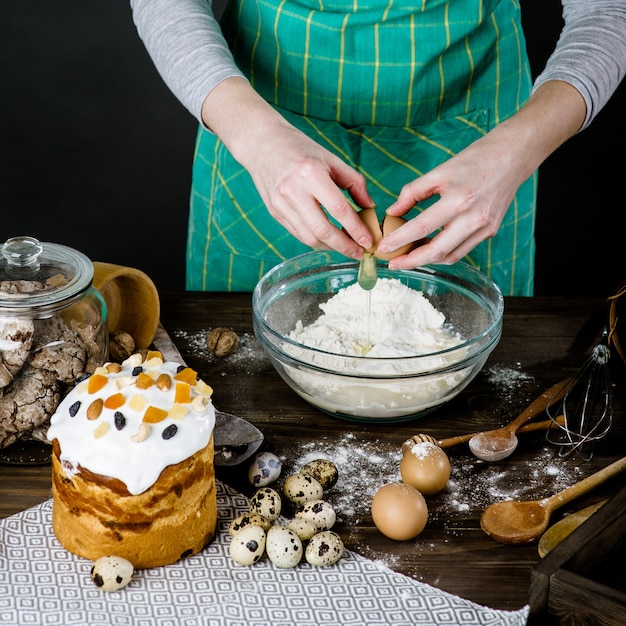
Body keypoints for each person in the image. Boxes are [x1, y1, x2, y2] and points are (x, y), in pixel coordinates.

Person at [130, 0, 626, 295]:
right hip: (263, 128)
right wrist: (255, 137)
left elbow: (607, 11)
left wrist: (517, 150)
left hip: (478, 135)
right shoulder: (259, 137)